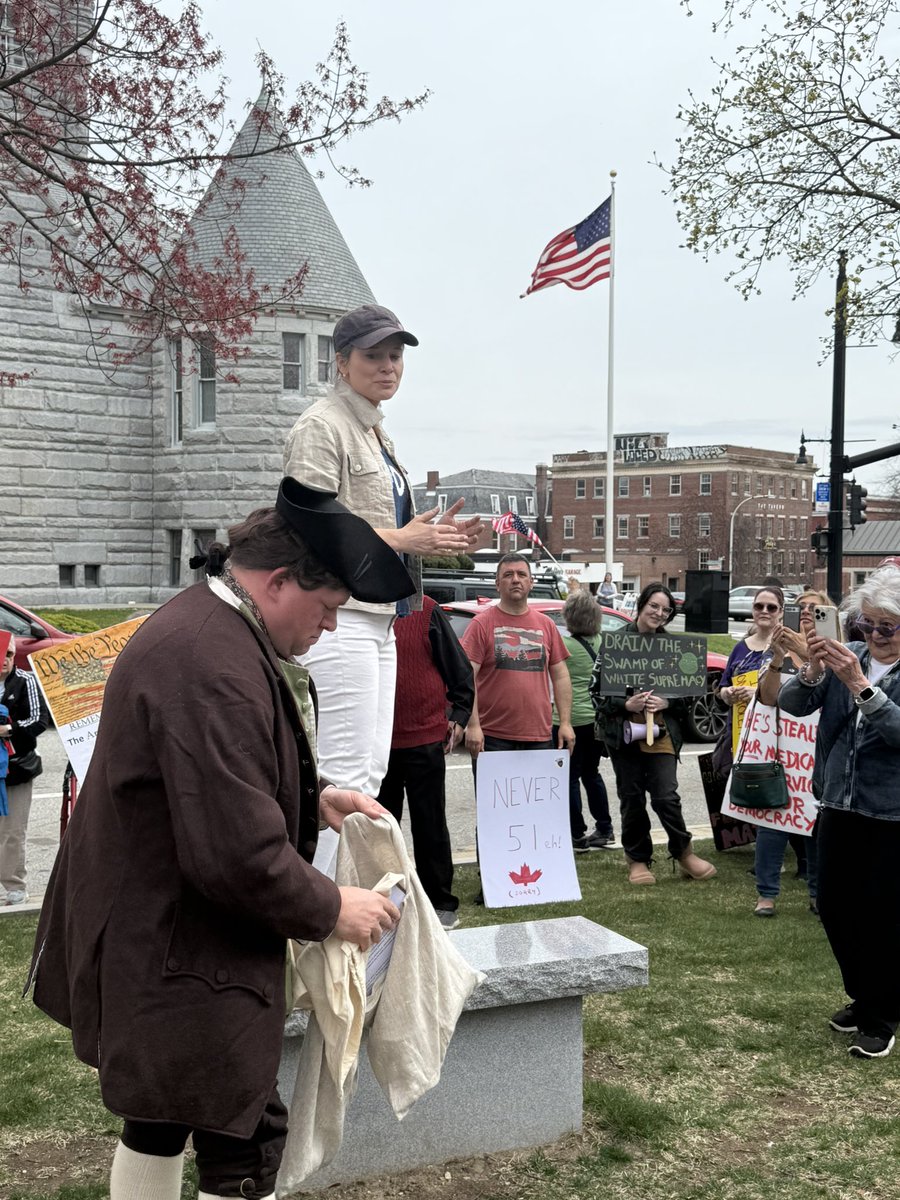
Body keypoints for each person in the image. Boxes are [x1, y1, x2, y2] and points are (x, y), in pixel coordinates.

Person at [27, 479, 414, 1199]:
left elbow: (203, 786)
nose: (330, 627)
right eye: (327, 607)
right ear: (278, 581)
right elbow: (237, 855)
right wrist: (334, 907)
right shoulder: (211, 658)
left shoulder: (208, 628)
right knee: (243, 1142)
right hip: (183, 945)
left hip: (160, 933)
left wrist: (313, 798)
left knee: (160, 1116)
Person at [283, 304, 482, 797]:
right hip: (339, 619)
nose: (388, 366)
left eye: (395, 355)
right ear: (341, 362)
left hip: (380, 619)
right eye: (373, 355)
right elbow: (304, 524)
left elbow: (376, 526)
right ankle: (325, 854)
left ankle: (352, 853)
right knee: (343, 774)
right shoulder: (321, 425)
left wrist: (433, 538)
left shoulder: (375, 431)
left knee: (370, 773)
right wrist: (401, 538)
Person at [779, 568, 900, 1059]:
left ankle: (880, 1015)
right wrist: (813, 668)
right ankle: (866, 995)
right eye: (867, 624)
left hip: (889, 812)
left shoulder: (861, 669)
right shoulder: (847, 655)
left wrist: (860, 686)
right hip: (836, 802)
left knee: (881, 916)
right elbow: (791, 704)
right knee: (833, 905)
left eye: (886, 627)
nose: (874, 635)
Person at [592, 582, 716, 885]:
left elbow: (689, 697)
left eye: (666, 610)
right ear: (641, 605)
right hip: (624, 734)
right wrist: (625, 704)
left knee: (666, 796)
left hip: (661, 734)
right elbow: (595, 692)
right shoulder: (615, 644)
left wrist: (667, 702)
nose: (659, 613)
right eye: (654, 606)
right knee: (631, 797)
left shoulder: (674, 648)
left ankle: (684, 852)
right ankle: (637, 859)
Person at [377, 594, 474, 931]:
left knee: (430, 824)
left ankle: (440, 903)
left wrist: (459, 715)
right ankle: (384, 902)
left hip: (424, 738)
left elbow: (459, 670)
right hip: (377, 743)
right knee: (380, 829)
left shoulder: (426, 609)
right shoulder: (359, 607)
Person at [752, 589, 833, 918]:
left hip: (819, 752)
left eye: (815, 609)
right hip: (784, 753)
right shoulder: (778, 653)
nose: (806, 613)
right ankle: (766, 894)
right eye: (801, 608)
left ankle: (817, 894)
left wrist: (810, 655)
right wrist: (777, 658)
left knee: (816, 824)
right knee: (774, 821)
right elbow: (768, 698)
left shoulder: (835, 653)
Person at [461, 554, 575, 761]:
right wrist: (473, 725)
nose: (515, 579)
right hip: (492, 737)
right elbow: (467, 678)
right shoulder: (481, 624)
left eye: (522, 574)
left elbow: (561, 676)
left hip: (539, 737)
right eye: (508, 575)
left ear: (531, 582)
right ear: (497, 584)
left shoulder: (546, 625)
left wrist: (565, 723)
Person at [553, 591, 616, 851]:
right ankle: (605, 827)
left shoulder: (564, 646)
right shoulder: (604, 643)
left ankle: (576, 833)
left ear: (569, 617)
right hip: (595, 719)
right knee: (592, 773)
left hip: (570, 719)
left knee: (569, 777)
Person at [1, 634, 47, 905]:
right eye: (1, 654)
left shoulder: (25, 681)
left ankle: (14, 886)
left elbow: (39, 720)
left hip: (16, 769)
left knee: (12, 831)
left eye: (9, 654)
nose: (5, 660)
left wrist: (9, 729)